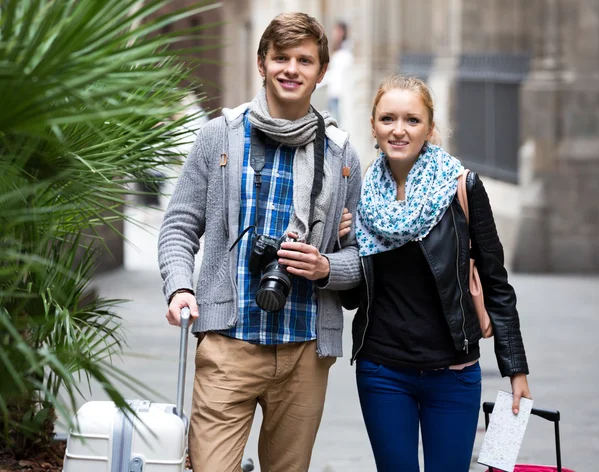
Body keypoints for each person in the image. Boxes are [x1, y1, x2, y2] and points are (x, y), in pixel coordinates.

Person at [157, 12, 362, 472]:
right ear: (262, 63)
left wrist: (325, 268)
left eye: (304, 60)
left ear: (321, 71)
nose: (292, 69)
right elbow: (178, 226)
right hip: (229, 344)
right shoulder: (219, 137)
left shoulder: (341, 154)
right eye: (281, 57)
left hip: (305, 350)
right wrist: (180, 287)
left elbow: (361, 257)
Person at [341, 75, 531, 472]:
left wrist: (515, 369)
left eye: (412, 120)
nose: (399, 130)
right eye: (387, 119)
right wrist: (344, 247)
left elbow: (496, 283)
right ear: (373, 126)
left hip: (453, 373)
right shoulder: (359, 196)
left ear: (429, 127)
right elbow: (351, 297)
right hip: (382, 370)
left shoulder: (462, 187)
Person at [320, 20, 353, 127]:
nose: (334, 33)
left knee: (337, 124)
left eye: (336, 30)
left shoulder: (345, 51)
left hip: (339, 94)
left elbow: (339, 75)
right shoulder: (336, 49)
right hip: (333, 92)